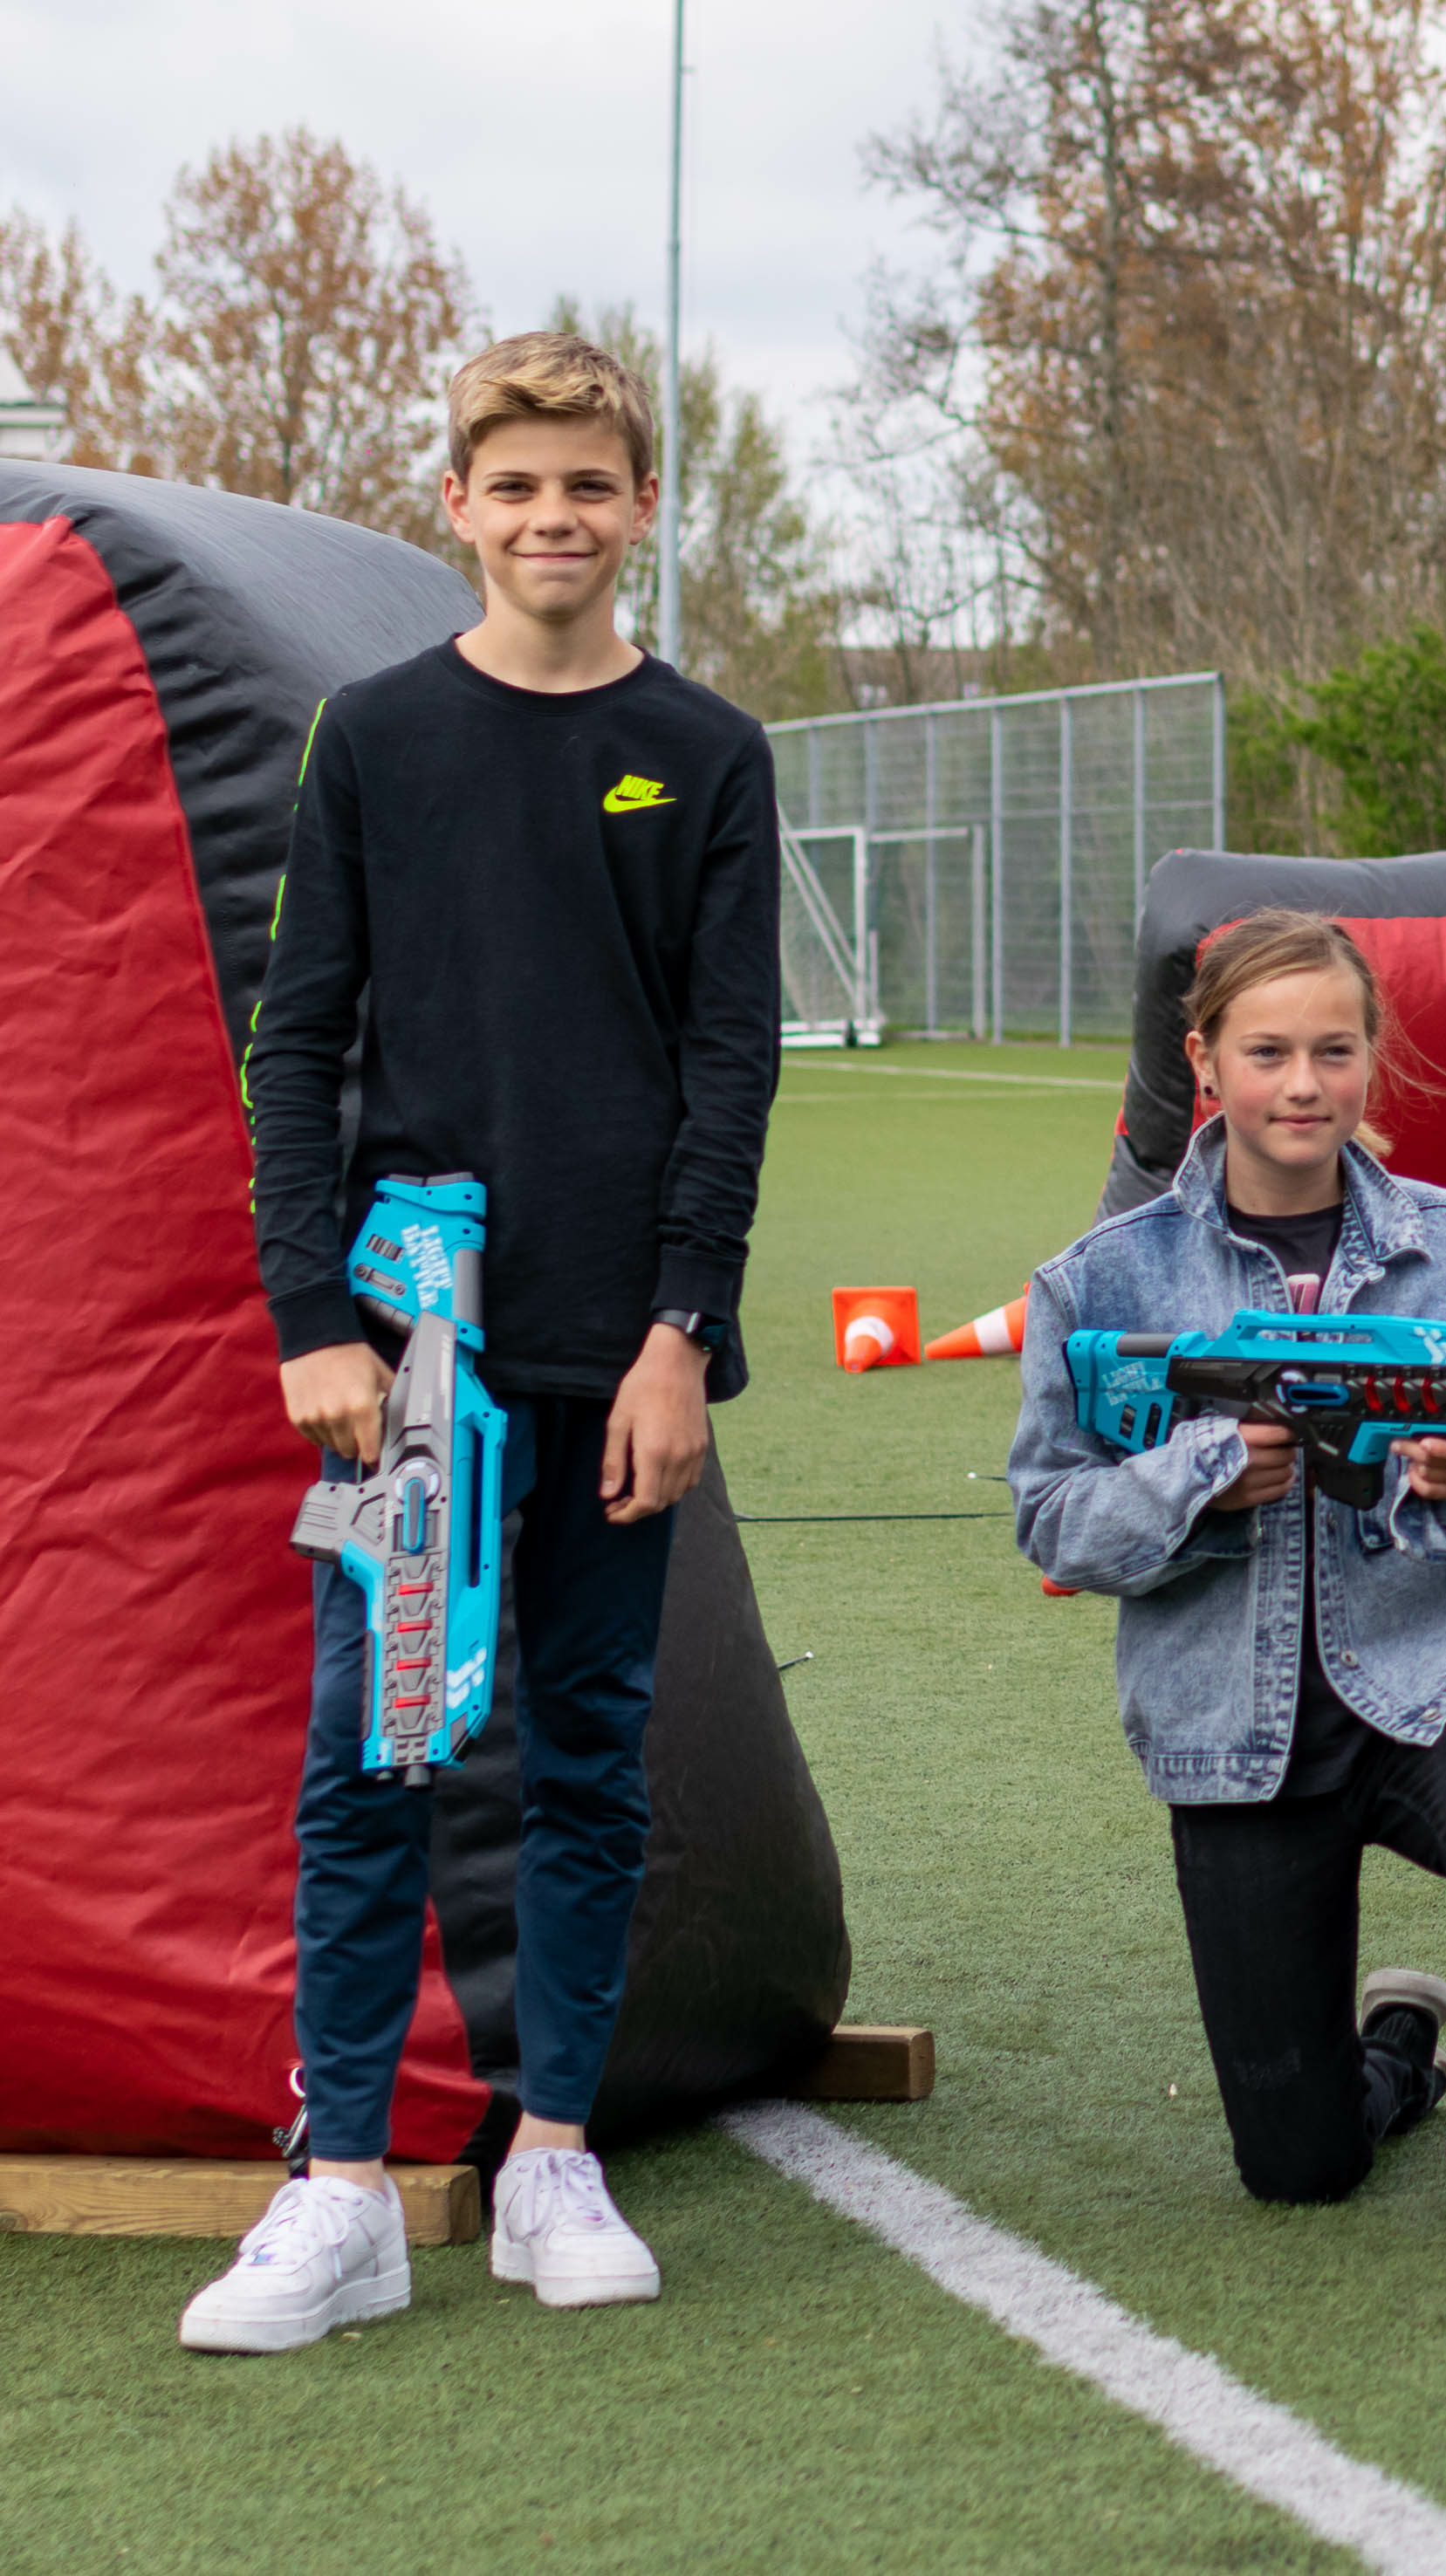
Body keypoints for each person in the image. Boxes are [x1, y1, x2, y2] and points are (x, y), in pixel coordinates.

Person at [182, 334, 778, 2354]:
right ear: (458, 503)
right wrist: (309, 1326)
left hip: (613, 1356)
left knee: (587, 1754)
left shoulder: (705, 754)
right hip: (408, 1363)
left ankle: (549, 2155)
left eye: (588, 487)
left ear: (638, 510)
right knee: (376, 1754)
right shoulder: (375, 732)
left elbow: (729, 1068)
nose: (552, 519)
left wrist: (683, 1333)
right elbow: (301, 1044)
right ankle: (338, 2185)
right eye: (515, 485)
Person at [1010, 911, 1446, 2234]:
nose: (1303, 1084)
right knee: (1297, 2172)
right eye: (1269, 1051)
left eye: (1334, 1051)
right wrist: (1196, 1476)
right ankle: (1400, 2054)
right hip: (1228, 1731)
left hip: (1430, 1678)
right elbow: (1052, 1519)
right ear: (1204, 1061)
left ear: (1372, 1061)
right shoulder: (1103, 1281)